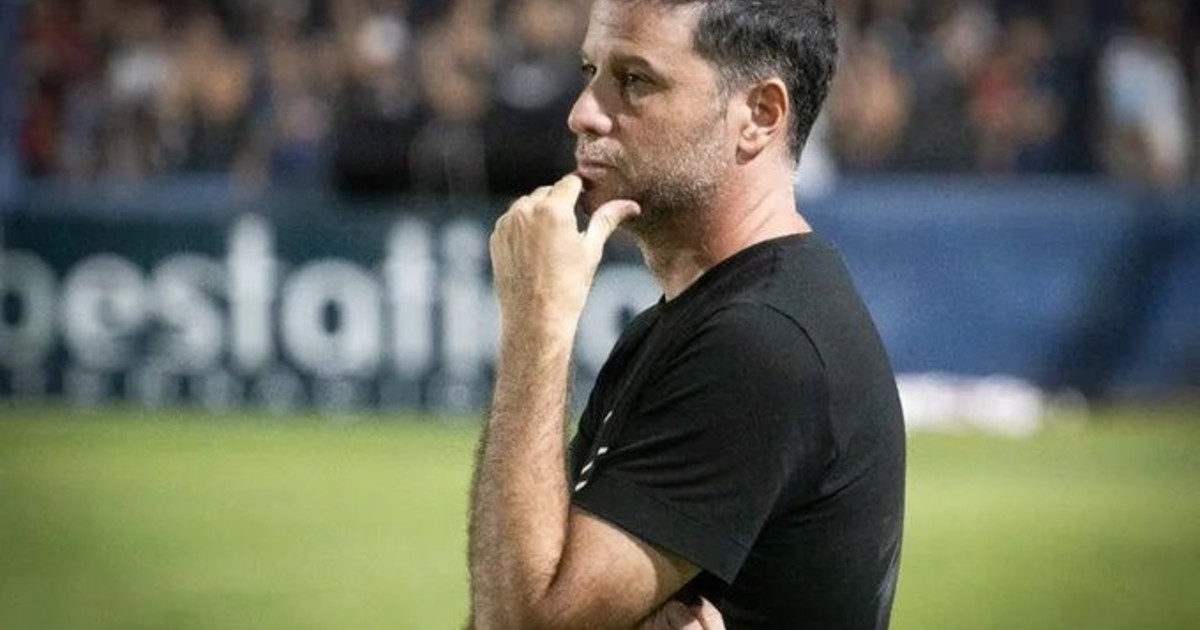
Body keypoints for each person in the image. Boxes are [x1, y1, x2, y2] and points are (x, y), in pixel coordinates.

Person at [468, 0, 905, 628]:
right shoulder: (681, 323)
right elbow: (518, 588)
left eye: (634, 80)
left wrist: (535, 327)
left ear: (759, 115)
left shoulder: (759, 344)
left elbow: (515, 622)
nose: (583, 113)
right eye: (590, 71)